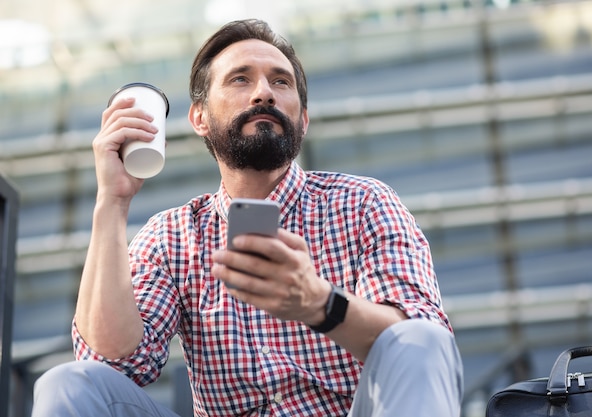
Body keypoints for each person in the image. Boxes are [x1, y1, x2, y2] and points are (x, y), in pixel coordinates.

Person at [32, 19, 463, 417]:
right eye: (241, 79)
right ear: (199, 118)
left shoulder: (364, 203)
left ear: (303, 119)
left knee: (420, 339)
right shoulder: (172, 236)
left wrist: (320, 304)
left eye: (281, 82)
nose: (264, 93)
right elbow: (114, 362)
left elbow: (421, 344)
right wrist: (112, 201)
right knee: (69, 384)